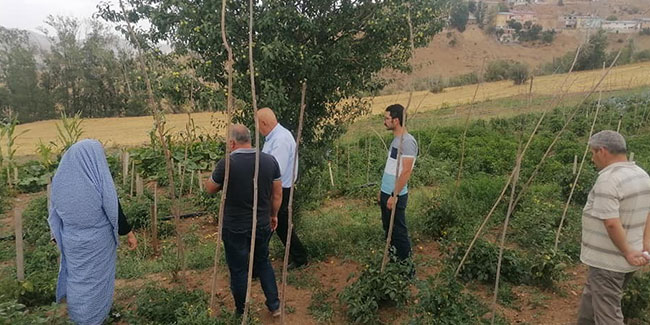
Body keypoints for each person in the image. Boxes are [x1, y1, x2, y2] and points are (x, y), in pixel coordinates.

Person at [48, 139, 137, 325]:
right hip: (97, 241)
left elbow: (53, 211)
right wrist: (128, 232)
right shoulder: (96, 178)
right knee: (96, 282)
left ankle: (78, 316)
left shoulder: (60, 181)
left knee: (77, 279)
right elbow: (112, 206)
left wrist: (54, 235)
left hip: (72, 240)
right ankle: (94, 318)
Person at [205, 124, 282, 316]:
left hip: (235, 227)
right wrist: (273, 215)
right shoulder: (269, 160)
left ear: (232, 142)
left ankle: (242, 311)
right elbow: (277, 194)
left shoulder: (227, 163)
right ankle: (274, 305)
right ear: (249, 139)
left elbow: (210, 188)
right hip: (262, 223)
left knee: (239, 269)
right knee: (263, 262)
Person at [577, 130, 650, 325]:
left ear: (602, 151)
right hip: (627, 257)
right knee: (590, 303)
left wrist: (627, 251)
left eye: (593, 153)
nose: (592, 158)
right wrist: (645, 243)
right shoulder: (641, 175)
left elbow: (611, 222)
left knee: (607, 314)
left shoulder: (609, 180)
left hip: (609, 261)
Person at [257, 107, 308, 269]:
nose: (257, 129)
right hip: (278, 189)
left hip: (279, 190)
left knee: (267, 226)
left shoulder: (280, 140)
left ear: (264, 123)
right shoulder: (274, 137)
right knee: (281, 226)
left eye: (257, 124)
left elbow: (274, 170)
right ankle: (300, 257)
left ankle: (257, 264)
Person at [378, 104, 418, 261]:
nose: (384, 122)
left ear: (396, 120)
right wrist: (383, 190)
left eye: (386, 118)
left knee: (398, 232)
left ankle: (407, 269)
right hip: (387, 192)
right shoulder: (396, 140)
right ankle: (395, 263)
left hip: (396, 195)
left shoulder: (407, 142)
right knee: (389, 230)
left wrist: (394, 194)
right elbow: (391, 167)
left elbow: (406, 171)